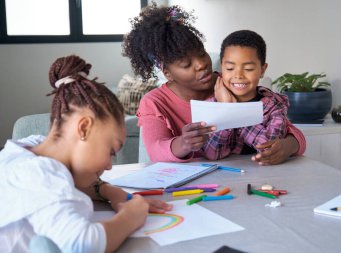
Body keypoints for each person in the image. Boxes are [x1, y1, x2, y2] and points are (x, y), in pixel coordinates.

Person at [0, 55, 172, 253]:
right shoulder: (42, 174)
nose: (108, 166)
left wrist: (112, 192)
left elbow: (71, 183)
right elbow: (82, 244)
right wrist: (130, 218)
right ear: (83, 128)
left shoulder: (29, 149)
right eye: (111, 151)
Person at [122, 3, 305, 165]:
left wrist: (287, 146)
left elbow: (292, 133)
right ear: (168, 73)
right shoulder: (155, 102)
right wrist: (184, 143)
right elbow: (155, 150)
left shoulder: (231, 82)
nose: (201, 64)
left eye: (202, 53)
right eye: (186, 64)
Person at [202, 30, 290, 160]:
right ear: (221, 68)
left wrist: (233, 112)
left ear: (262, 70)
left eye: (248, 69)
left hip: (265, 175)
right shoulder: (212, 105)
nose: (238, 75)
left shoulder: (274, 106)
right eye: (230, 68)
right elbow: (212, 153)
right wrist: (225, 109)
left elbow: (268, 149)